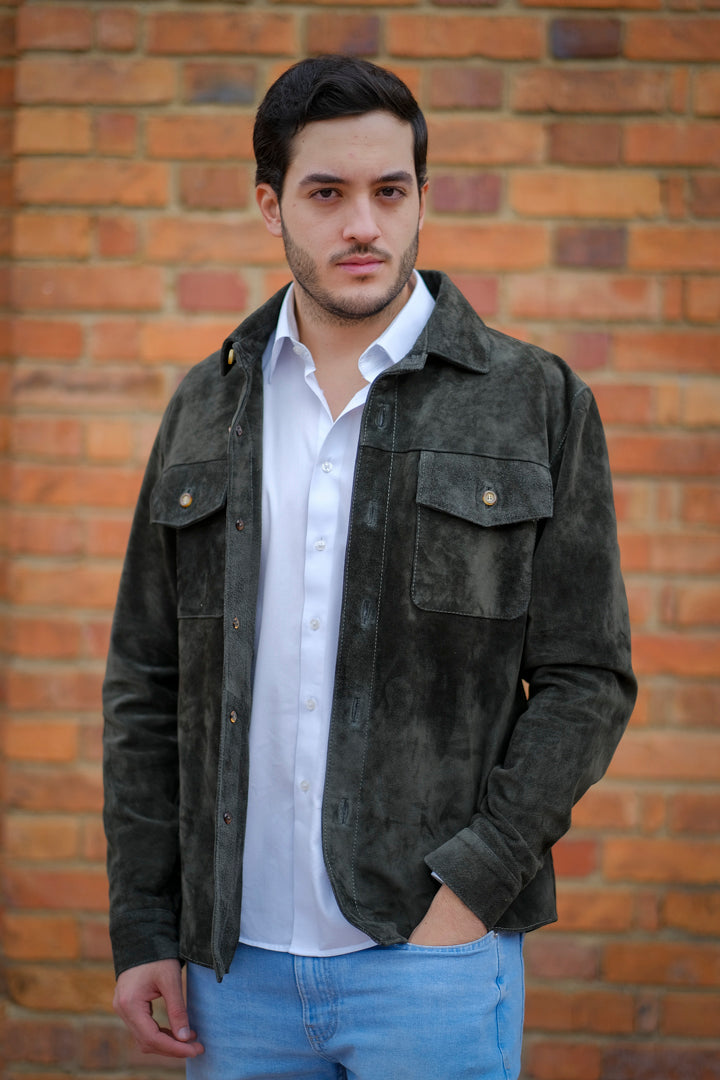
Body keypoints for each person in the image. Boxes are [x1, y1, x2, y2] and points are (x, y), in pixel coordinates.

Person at [103, 55, 636, 1080]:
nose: (363, 225)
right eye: (327, 194)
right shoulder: (205, 409)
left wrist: (471, 892)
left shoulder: (535, 401)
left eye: (390, 192)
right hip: (231, 974)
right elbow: (146, 682)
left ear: (423, 197)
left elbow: (587, 679)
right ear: (271, 205)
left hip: (430, 964)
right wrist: (145, 924)